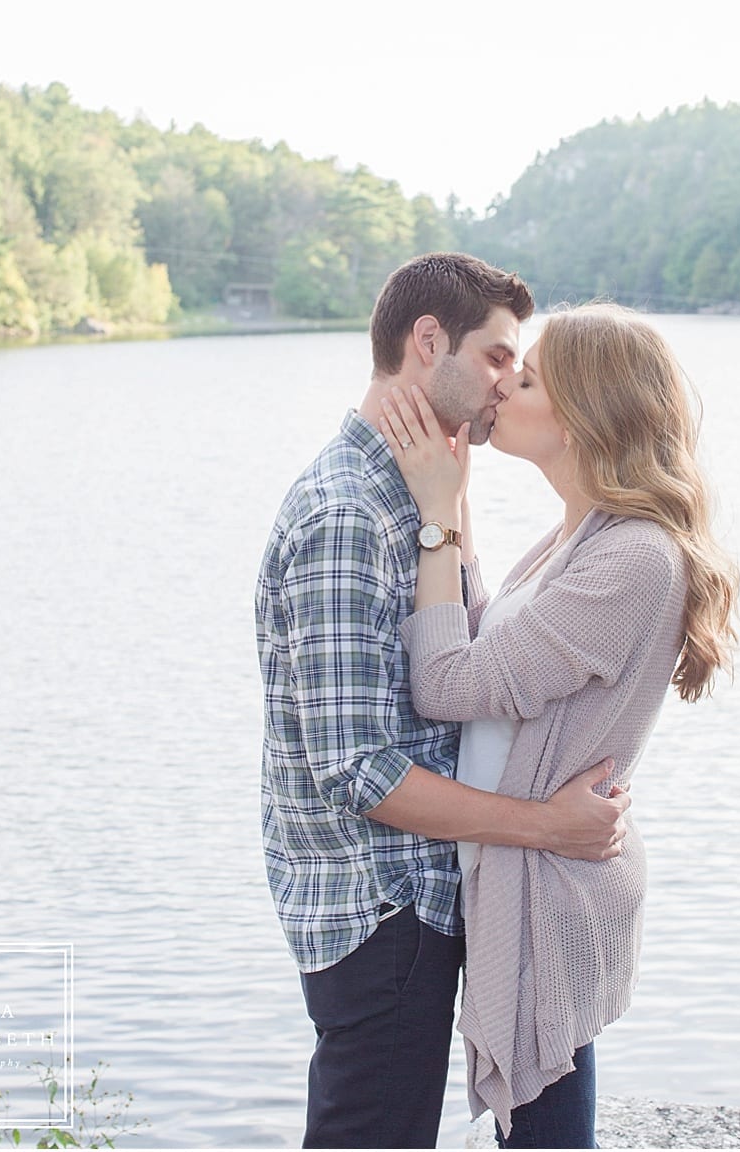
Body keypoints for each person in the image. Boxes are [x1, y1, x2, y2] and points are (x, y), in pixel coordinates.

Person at [254, 252, 634, 1150]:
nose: (510, 381)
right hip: (382, 906)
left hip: (427, 892)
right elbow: (357, 769)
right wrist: (545, 824)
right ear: (429, 344)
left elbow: (467, 661)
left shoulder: (416, 494)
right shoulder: (349, 513)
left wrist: (451, 509)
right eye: (500, 356)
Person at [374, 299, 740, 1149]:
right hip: (537, 867)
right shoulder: (582, 534)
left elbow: (445, 681)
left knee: (547, 1130)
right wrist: (455, 499)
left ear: (581, 414)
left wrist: (433, 515)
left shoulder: (634, 558)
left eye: (527, 377)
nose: (503, 386)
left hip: (553, 886)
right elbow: (487, 637)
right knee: (542, 1120)